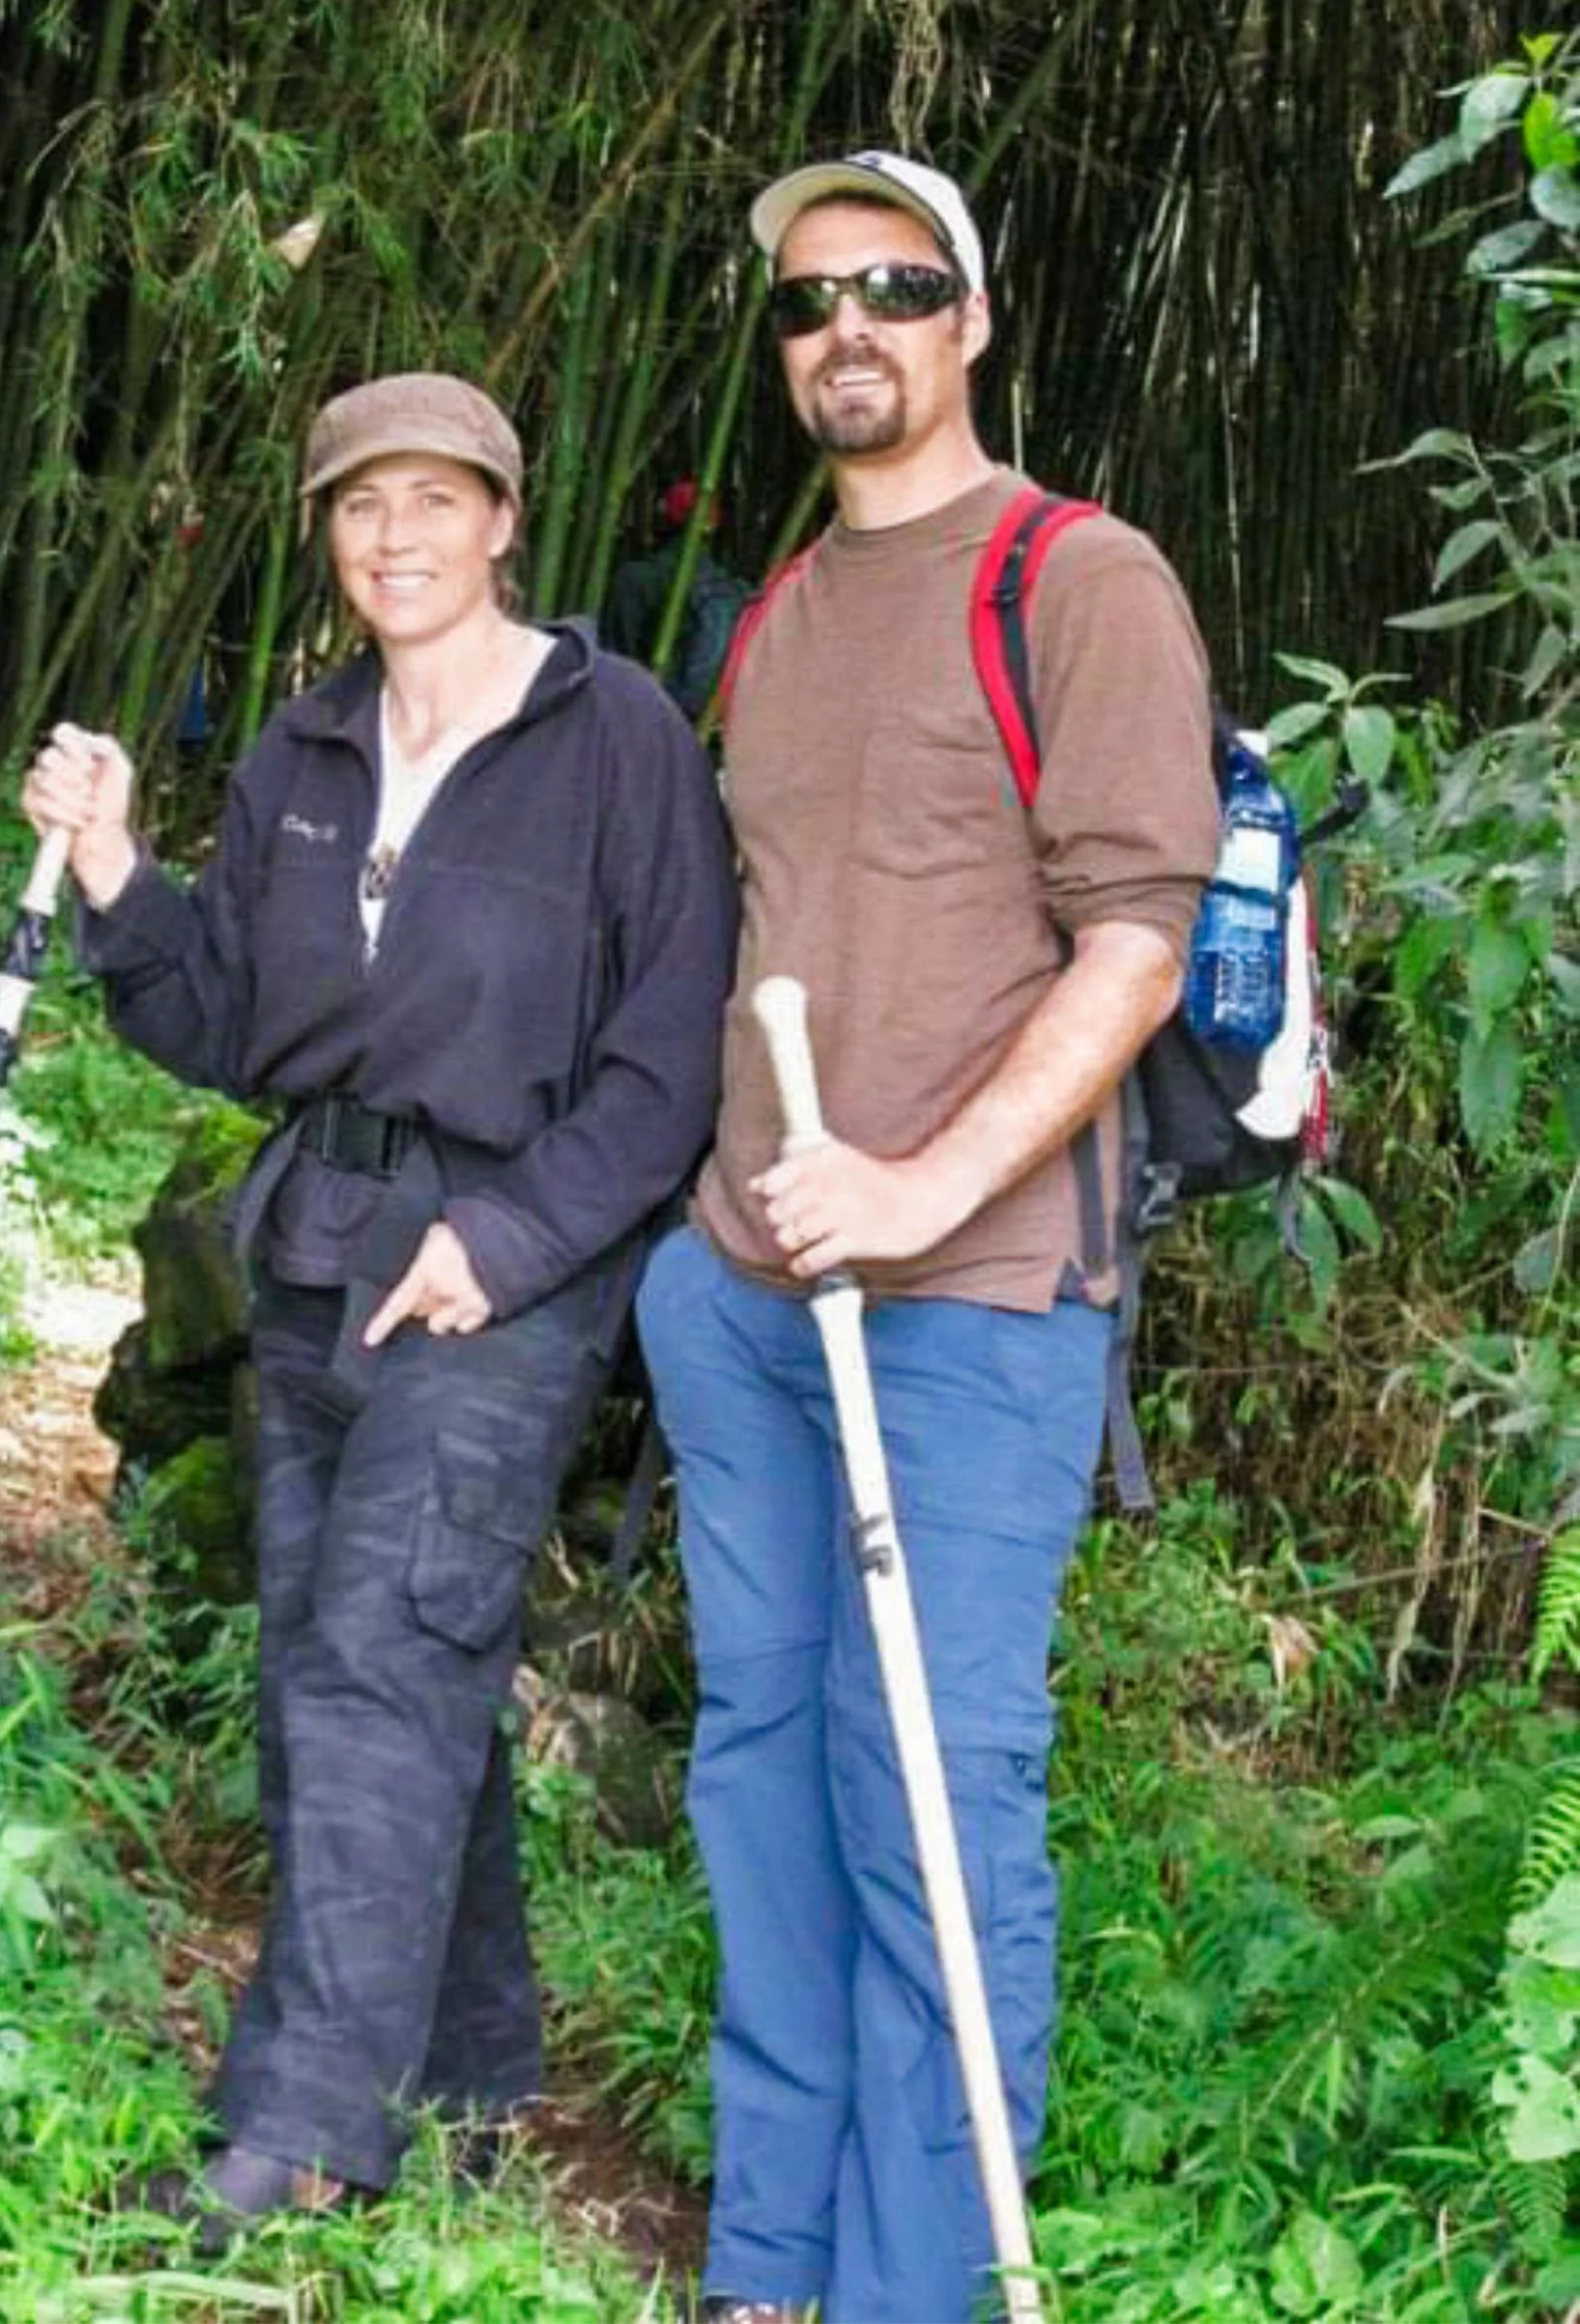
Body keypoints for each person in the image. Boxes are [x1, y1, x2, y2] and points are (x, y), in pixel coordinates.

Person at [22, 371, 737, 2248]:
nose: (397, 538)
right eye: (362, 507)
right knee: (361, 1673)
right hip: (317, 1244)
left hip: (507, 1258)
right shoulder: (306, 749)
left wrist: (505, 1247)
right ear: (332, 539)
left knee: (374, 1664)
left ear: (506, 519)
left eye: (436, 501)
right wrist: (115, 871)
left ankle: (301, 2134)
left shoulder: (622, 740)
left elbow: (668, 1066)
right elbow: (226, 1025)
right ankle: (476, 2078)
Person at [635, 151, 1220, 2323]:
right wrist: (705, 1251)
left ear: (972, 317)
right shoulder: (776, 613)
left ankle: (917, 2285)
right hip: (748, 1296)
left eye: (892, 286)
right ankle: (767, 2262)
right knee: (761, 1774)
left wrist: (916, 1186)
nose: (845, 330)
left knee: (932, 1797)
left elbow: (1136, 947)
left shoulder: (1080, 578)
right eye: (805, 304)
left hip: (972, 1306)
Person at [603, 477, 754, 724]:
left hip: (647, 716)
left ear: (664, 517)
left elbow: (615, 660)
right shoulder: (737, 591)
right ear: (714, 526)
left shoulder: (637, 579)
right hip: (710, 724)